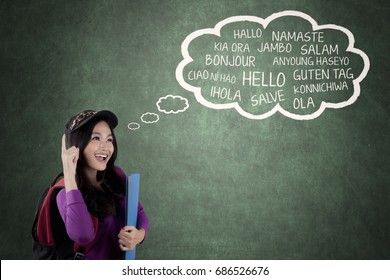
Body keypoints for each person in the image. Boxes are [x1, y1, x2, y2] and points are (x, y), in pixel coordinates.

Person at [57, 109, 149, 259]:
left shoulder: (117, 176)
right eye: (95, 138)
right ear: (77, 145)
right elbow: (83, 235)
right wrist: (69, 173)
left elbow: (138, 212)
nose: (105, 147)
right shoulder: (64, 193)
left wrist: (140, 235)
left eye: (109, 139)